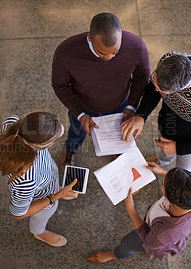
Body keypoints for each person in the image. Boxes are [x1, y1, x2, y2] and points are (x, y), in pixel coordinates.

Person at [52, 12, 150, 168]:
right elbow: (60, 85)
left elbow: (142, 78)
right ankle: (71, 150)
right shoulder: (66, 52)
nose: (109, 58)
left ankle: (115, 151)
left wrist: (131, 106)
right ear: (90, 38)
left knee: (118, 135)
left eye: (115, 52)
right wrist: (80, 114)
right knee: (76, 132)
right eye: (102, 53)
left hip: (121, 104)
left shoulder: (137, 47)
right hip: (83, 106)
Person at [122, 51, 191, 174]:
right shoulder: (169, 59)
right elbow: (153, 89)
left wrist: (178, 148)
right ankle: (163, 161)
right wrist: (141, 115)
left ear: (186, 87)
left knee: (184, 172)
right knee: (164, 151)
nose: (155, 89)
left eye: (161, 91)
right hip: (168, 123)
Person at [87, 162, 191, 263]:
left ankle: (114, 255)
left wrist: (131, 209)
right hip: (160, 228)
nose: (162, 182)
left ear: (169, 199)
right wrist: (164, 173)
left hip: (152, 237)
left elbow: (147, 240)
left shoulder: (164, 233)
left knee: (128, 242)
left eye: (163, 184)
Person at [0, 112, 78, 247]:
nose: (62, 130)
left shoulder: (13, 123)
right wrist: (56, 196)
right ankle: (39, 232)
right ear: (41, 147)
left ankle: (58, 189)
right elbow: (18, 214)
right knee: (43, 216)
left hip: (46, 181)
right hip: (43, 197)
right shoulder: (27, 180)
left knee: (54, 185)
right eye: (55, 138)